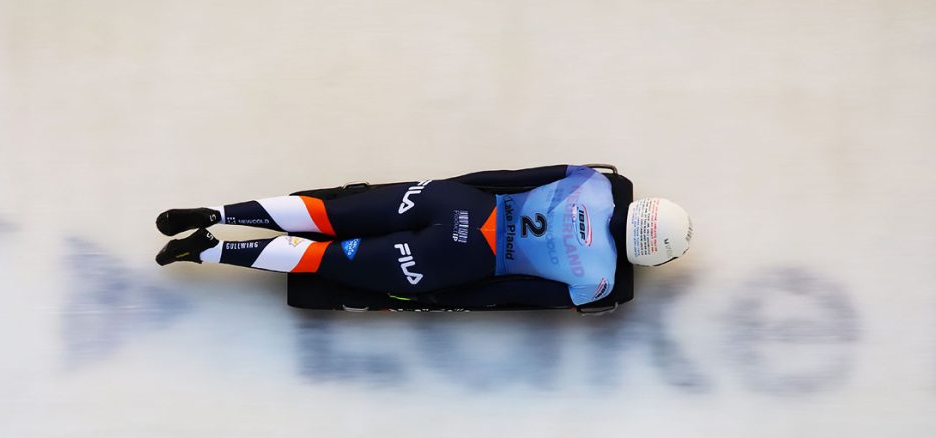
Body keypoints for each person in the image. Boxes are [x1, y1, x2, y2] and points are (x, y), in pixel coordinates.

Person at [154, 165, 692, 307]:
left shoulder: (596, 182)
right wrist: (440, 296)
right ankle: (211, 249)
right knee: (324, 258)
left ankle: (217, 211)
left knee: (330, 214)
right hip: (447, 261)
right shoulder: (598, 283)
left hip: (454, 202)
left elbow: (510, 177)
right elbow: (509, 294)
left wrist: (449, 188)